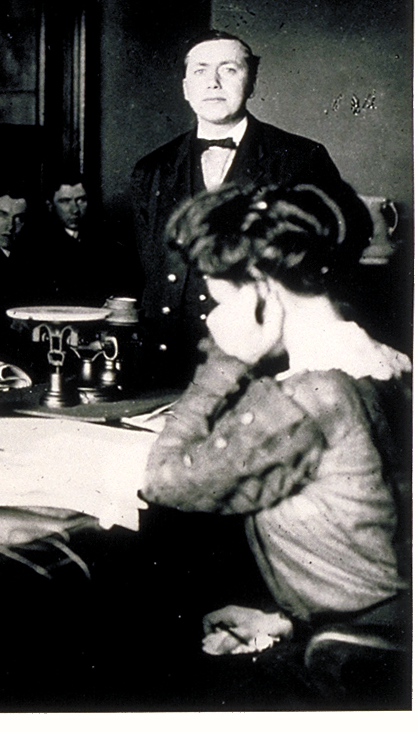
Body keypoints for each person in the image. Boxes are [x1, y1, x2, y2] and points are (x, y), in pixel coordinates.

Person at [140, 181, 409, 700]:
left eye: (221, 299)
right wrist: (289, 619)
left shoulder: (310, 398)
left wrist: (226, 359)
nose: (213, 318)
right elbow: (373, 539)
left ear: (263, 290)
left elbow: (163, 481)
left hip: (357, 658)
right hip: (373, 632)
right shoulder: (380, 363)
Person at [130, 30, 364, 385]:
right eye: (200, 71)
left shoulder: (301, 158)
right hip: (164, 365)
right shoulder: (152, 168)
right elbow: (145, 269)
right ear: (185, 87)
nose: (212, 82)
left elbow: (332, 269)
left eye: (229, 70)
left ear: (251, 82)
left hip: (265, 369)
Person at [25, 169, 140, 307]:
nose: (75, 210)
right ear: (50, 205)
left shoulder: (107, 242)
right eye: (65, 201)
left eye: (81, 200)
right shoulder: (34, 245)